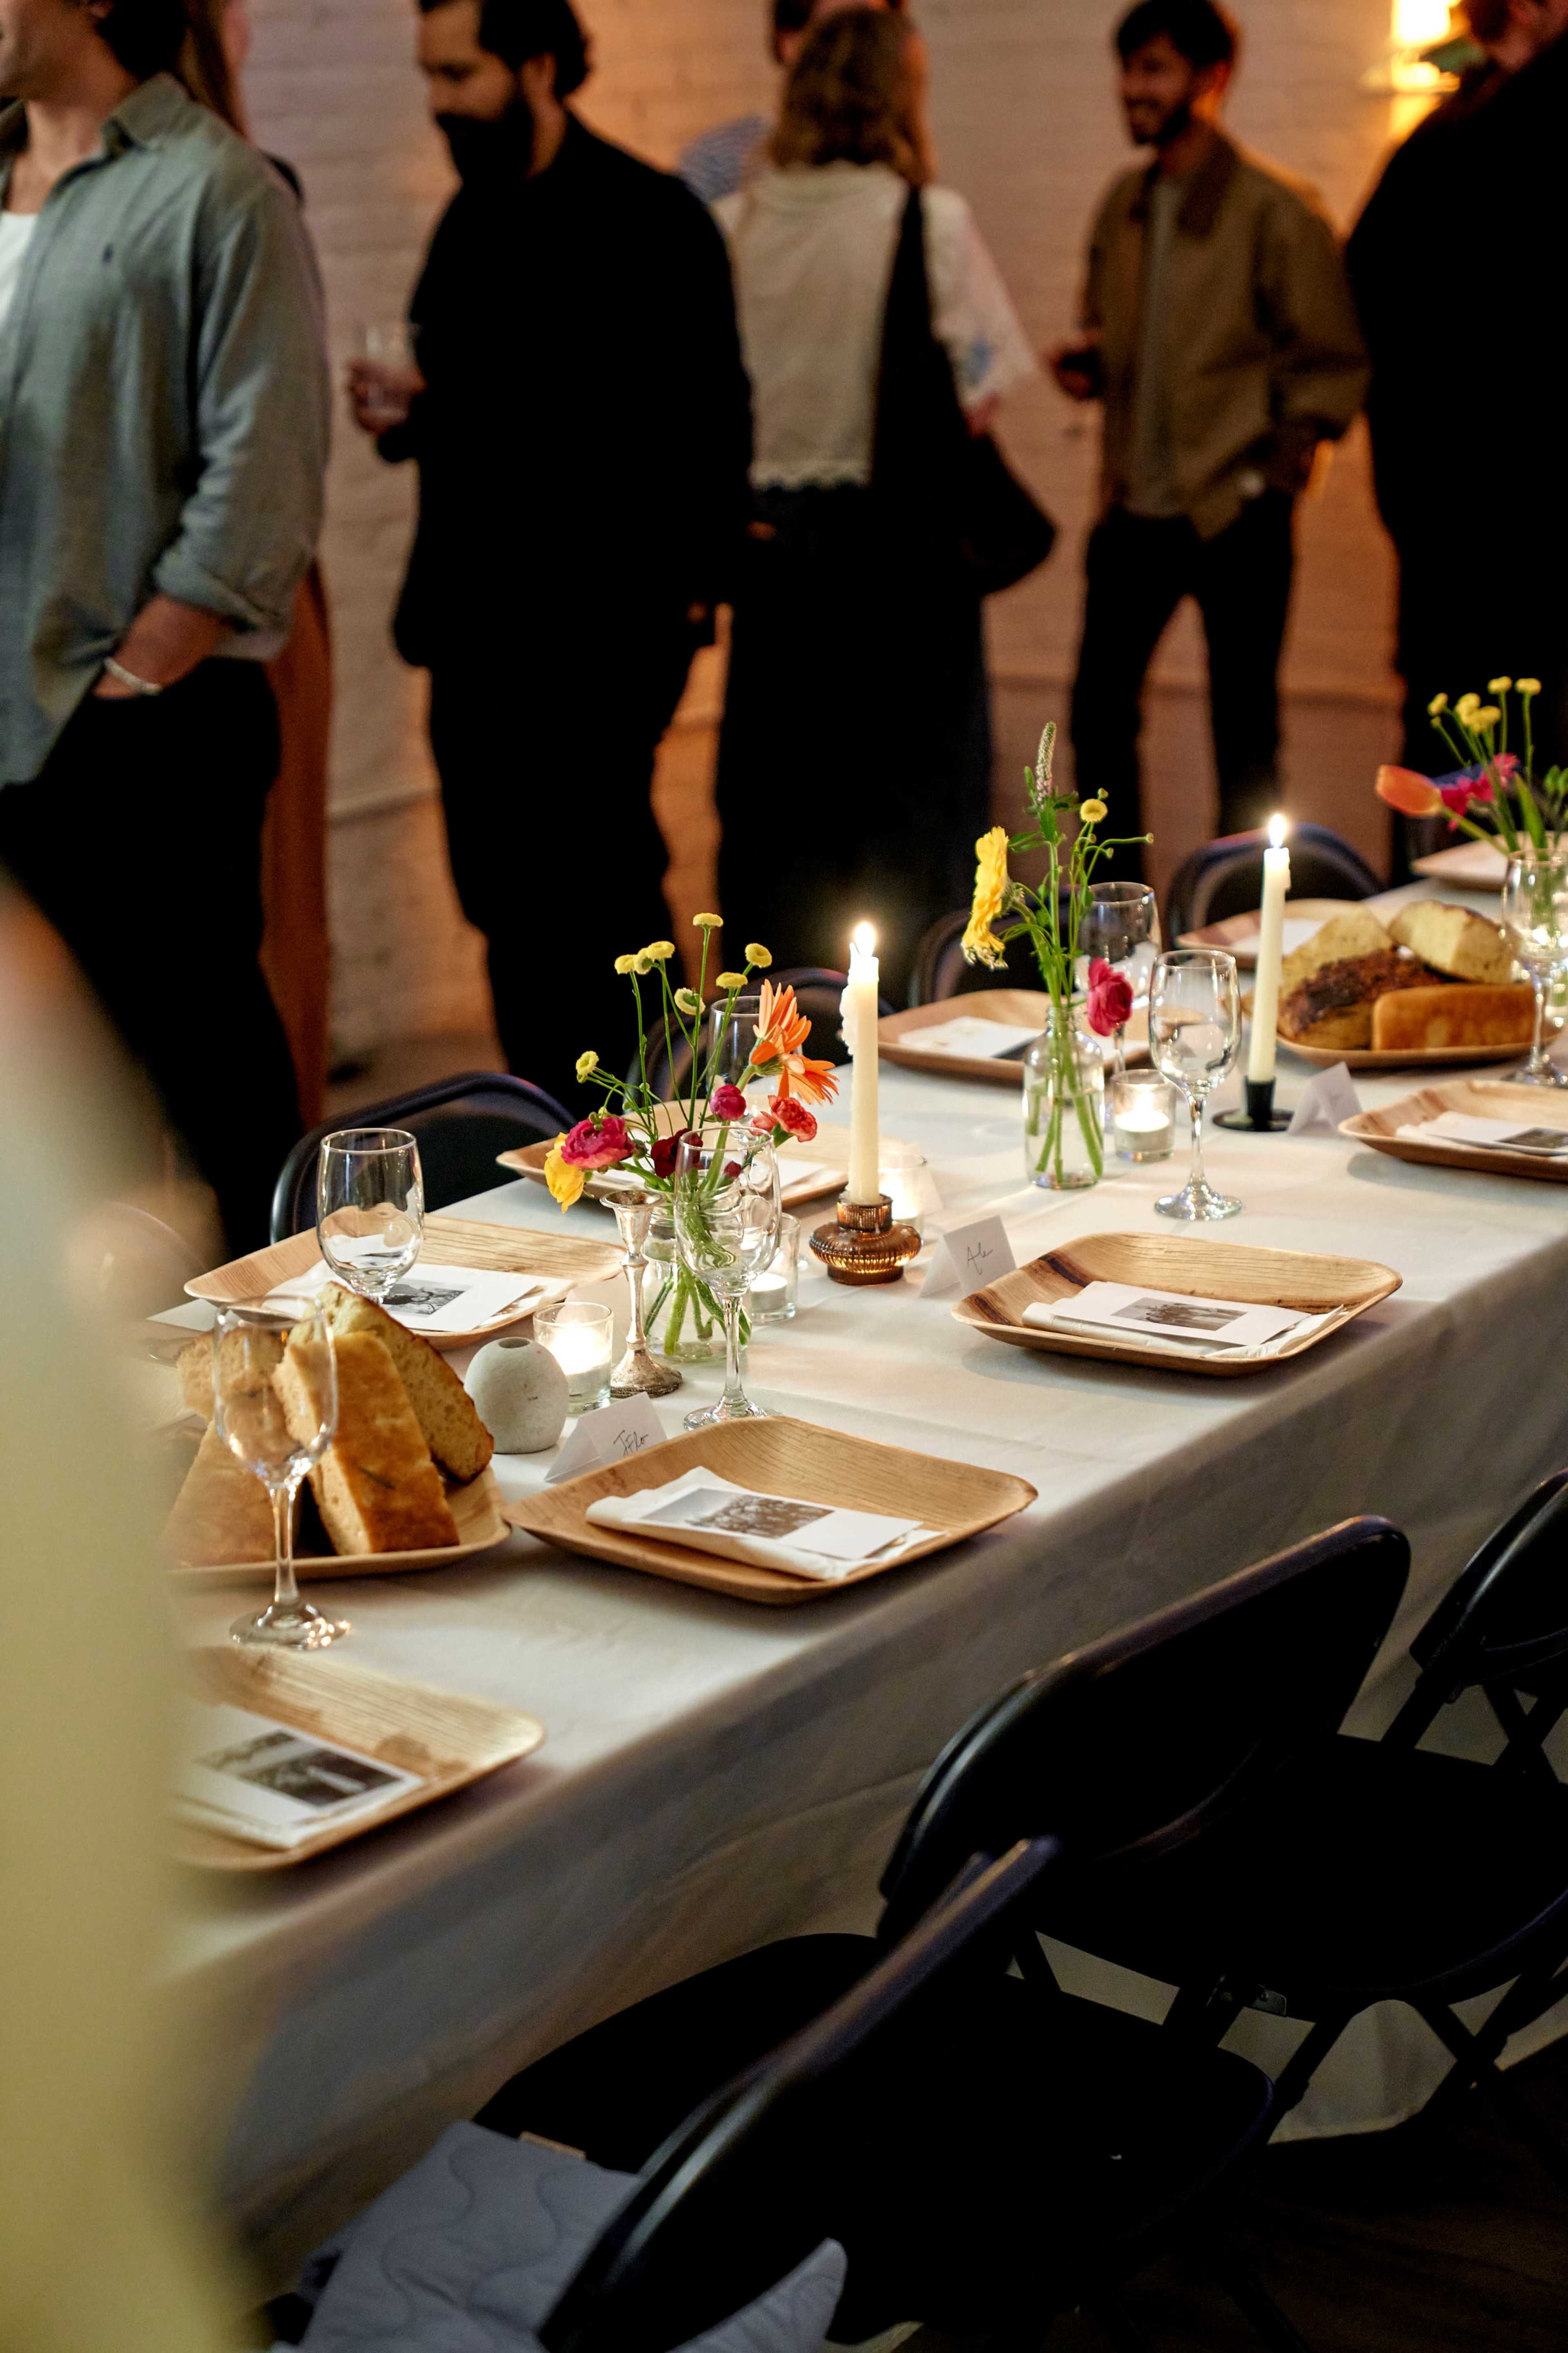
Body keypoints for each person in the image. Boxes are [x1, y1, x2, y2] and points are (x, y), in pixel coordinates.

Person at [352, 0, 751, 1109]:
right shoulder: (467, 223)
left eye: (460, 74)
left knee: (606, 904)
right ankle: (549, 1146)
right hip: (474, 629)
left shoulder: (650, 218)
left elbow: (685, 428)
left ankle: (665, 1137)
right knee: (505, 909)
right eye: (428, 76)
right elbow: (460, 402)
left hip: (601, 636)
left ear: (536, 65)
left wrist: (681, 616)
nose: (439, 103)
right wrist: (406, 413)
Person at [0, 0, 329, 1251]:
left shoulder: (216, 189)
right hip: (8, 716)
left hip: (136, 727)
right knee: (41, 1124)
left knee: (209, 1089)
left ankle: (298, 1370)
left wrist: (134, 681)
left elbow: (264, 480)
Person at [713, 6, 1037, 1002]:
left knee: (781, 845)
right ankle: (919, 1063)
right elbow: (978, 400)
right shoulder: (924, 221)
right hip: (903, 566)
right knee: (919, 845)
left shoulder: (735, 224)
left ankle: (778, 1091)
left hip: (774, 569)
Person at [1054, 0, 1367, 872]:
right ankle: (1121, 928)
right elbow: (1117, 331)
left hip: (1235, 510)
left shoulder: (1276, 210)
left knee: (1246, 739)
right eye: (1128, 70)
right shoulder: (1123, 202)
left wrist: (1275, 475)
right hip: (1133, 508)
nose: (1133, 90)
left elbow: (1333, 362)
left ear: (1211, 79)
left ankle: (1245, 926)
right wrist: (1090, 365)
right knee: (1097, 720)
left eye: (1154, 69)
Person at [1347, 0, 1568, 793]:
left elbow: (1366, 293)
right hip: (1507, 536)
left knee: (1453, 795)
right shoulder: (1491, 133)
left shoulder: (1435, 144)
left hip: (1450, 530)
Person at [180, 0, 334, 1127]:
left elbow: (266, 455)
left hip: (218, 614)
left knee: (268, 916)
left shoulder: (241, 190)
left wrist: (150, 647)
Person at [677, 0, 905, 207]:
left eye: (879, 34)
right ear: (790, 43)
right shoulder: (720, 162)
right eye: (841, 34)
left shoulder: (897, 159)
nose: (869, 55)